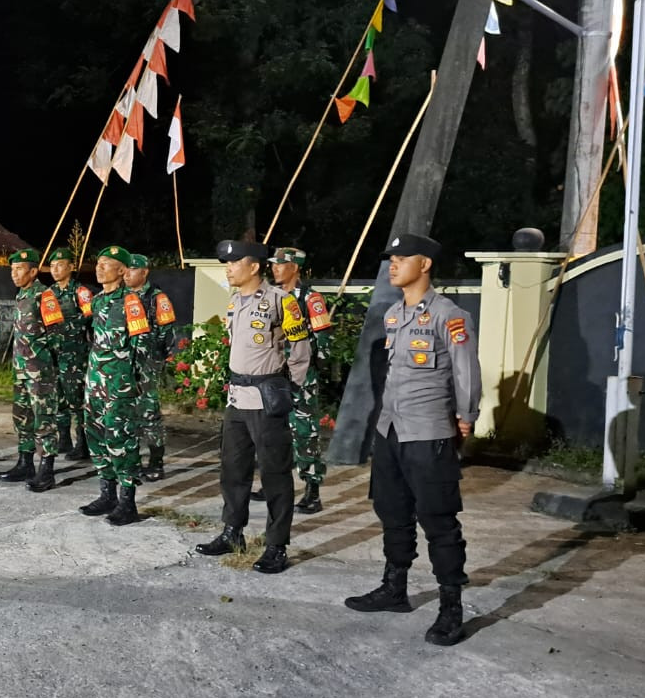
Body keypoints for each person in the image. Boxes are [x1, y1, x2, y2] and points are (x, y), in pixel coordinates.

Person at [344, 233, 480, 646]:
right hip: (391, 431)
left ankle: (450, 607)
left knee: (438, 521)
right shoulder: (392, 316)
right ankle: (394, 588)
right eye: (391, 258)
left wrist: (466, 416)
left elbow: (466, 373)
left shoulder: (449, 316)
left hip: (428, 434)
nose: (393, 264)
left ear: (425, 265)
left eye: (403, 258)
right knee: (392, 512)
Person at [194, 240, 311, 573]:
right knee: (233, 468)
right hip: (237, 397)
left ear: (254, 266)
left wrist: (292, 387)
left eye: (233, 263)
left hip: (265, 398)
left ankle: (276, 545)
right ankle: (233, 532)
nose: (228, 268)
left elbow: (299, 348)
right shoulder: (235, 301)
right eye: (226, 263)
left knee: (274, 472)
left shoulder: (281, 302)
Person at [79, 244, 153, 526]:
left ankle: (128, 502)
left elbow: (142, 343)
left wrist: (131, 379)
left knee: (120, 438)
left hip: (119, 383)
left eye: (106, 264)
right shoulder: (97, 301)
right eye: (98, 263)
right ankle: (107, 494)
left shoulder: (131, 301)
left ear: (122, 270)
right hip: (96, 380)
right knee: (97, 435)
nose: (99, 268)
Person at [269, 245, 334, 513]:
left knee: (304, 430)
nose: (274, 268)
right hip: (272, 373)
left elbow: (323, 339)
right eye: (273, 263)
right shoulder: (269, 295)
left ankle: (312, 488)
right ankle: (273, 482)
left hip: (300, 375)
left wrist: (312, 368)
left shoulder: (311, 298)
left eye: (280, 264)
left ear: (294, 267)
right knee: (271, 430)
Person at [0, 248, 64, 492]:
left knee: (44, 420)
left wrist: (44, 362)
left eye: (19, 269)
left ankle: (46, 471)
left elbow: (56, 333)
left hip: (39, 372)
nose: (14, 274)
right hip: (21, 371)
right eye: (12, 270)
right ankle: (25, 463)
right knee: (22, 417)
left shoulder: (43, 296)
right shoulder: (22, 295)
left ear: (33, 271)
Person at [123, 252, 177, 482]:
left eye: (131, 270)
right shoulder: (120, 296)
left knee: (149, 414)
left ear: (144, 272)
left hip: (147, 364)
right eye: (124, 270)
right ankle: (131, 461)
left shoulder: (157, 298)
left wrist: (156, 359)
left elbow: (167, 334)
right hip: (122, 364)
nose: (126, 274)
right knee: (125, 414)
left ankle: (156, 462)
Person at [47, 246, 92, 462]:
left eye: (60, 265)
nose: (55, 270)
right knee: (59, 398)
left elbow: (89, 317)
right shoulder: (49, 294)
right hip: (54, 353)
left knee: (77, 400)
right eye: (52, 266)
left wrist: (65, 327)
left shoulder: (80, 292)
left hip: (75, 355)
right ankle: (63, 439)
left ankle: (83, 444)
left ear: (71, 267)